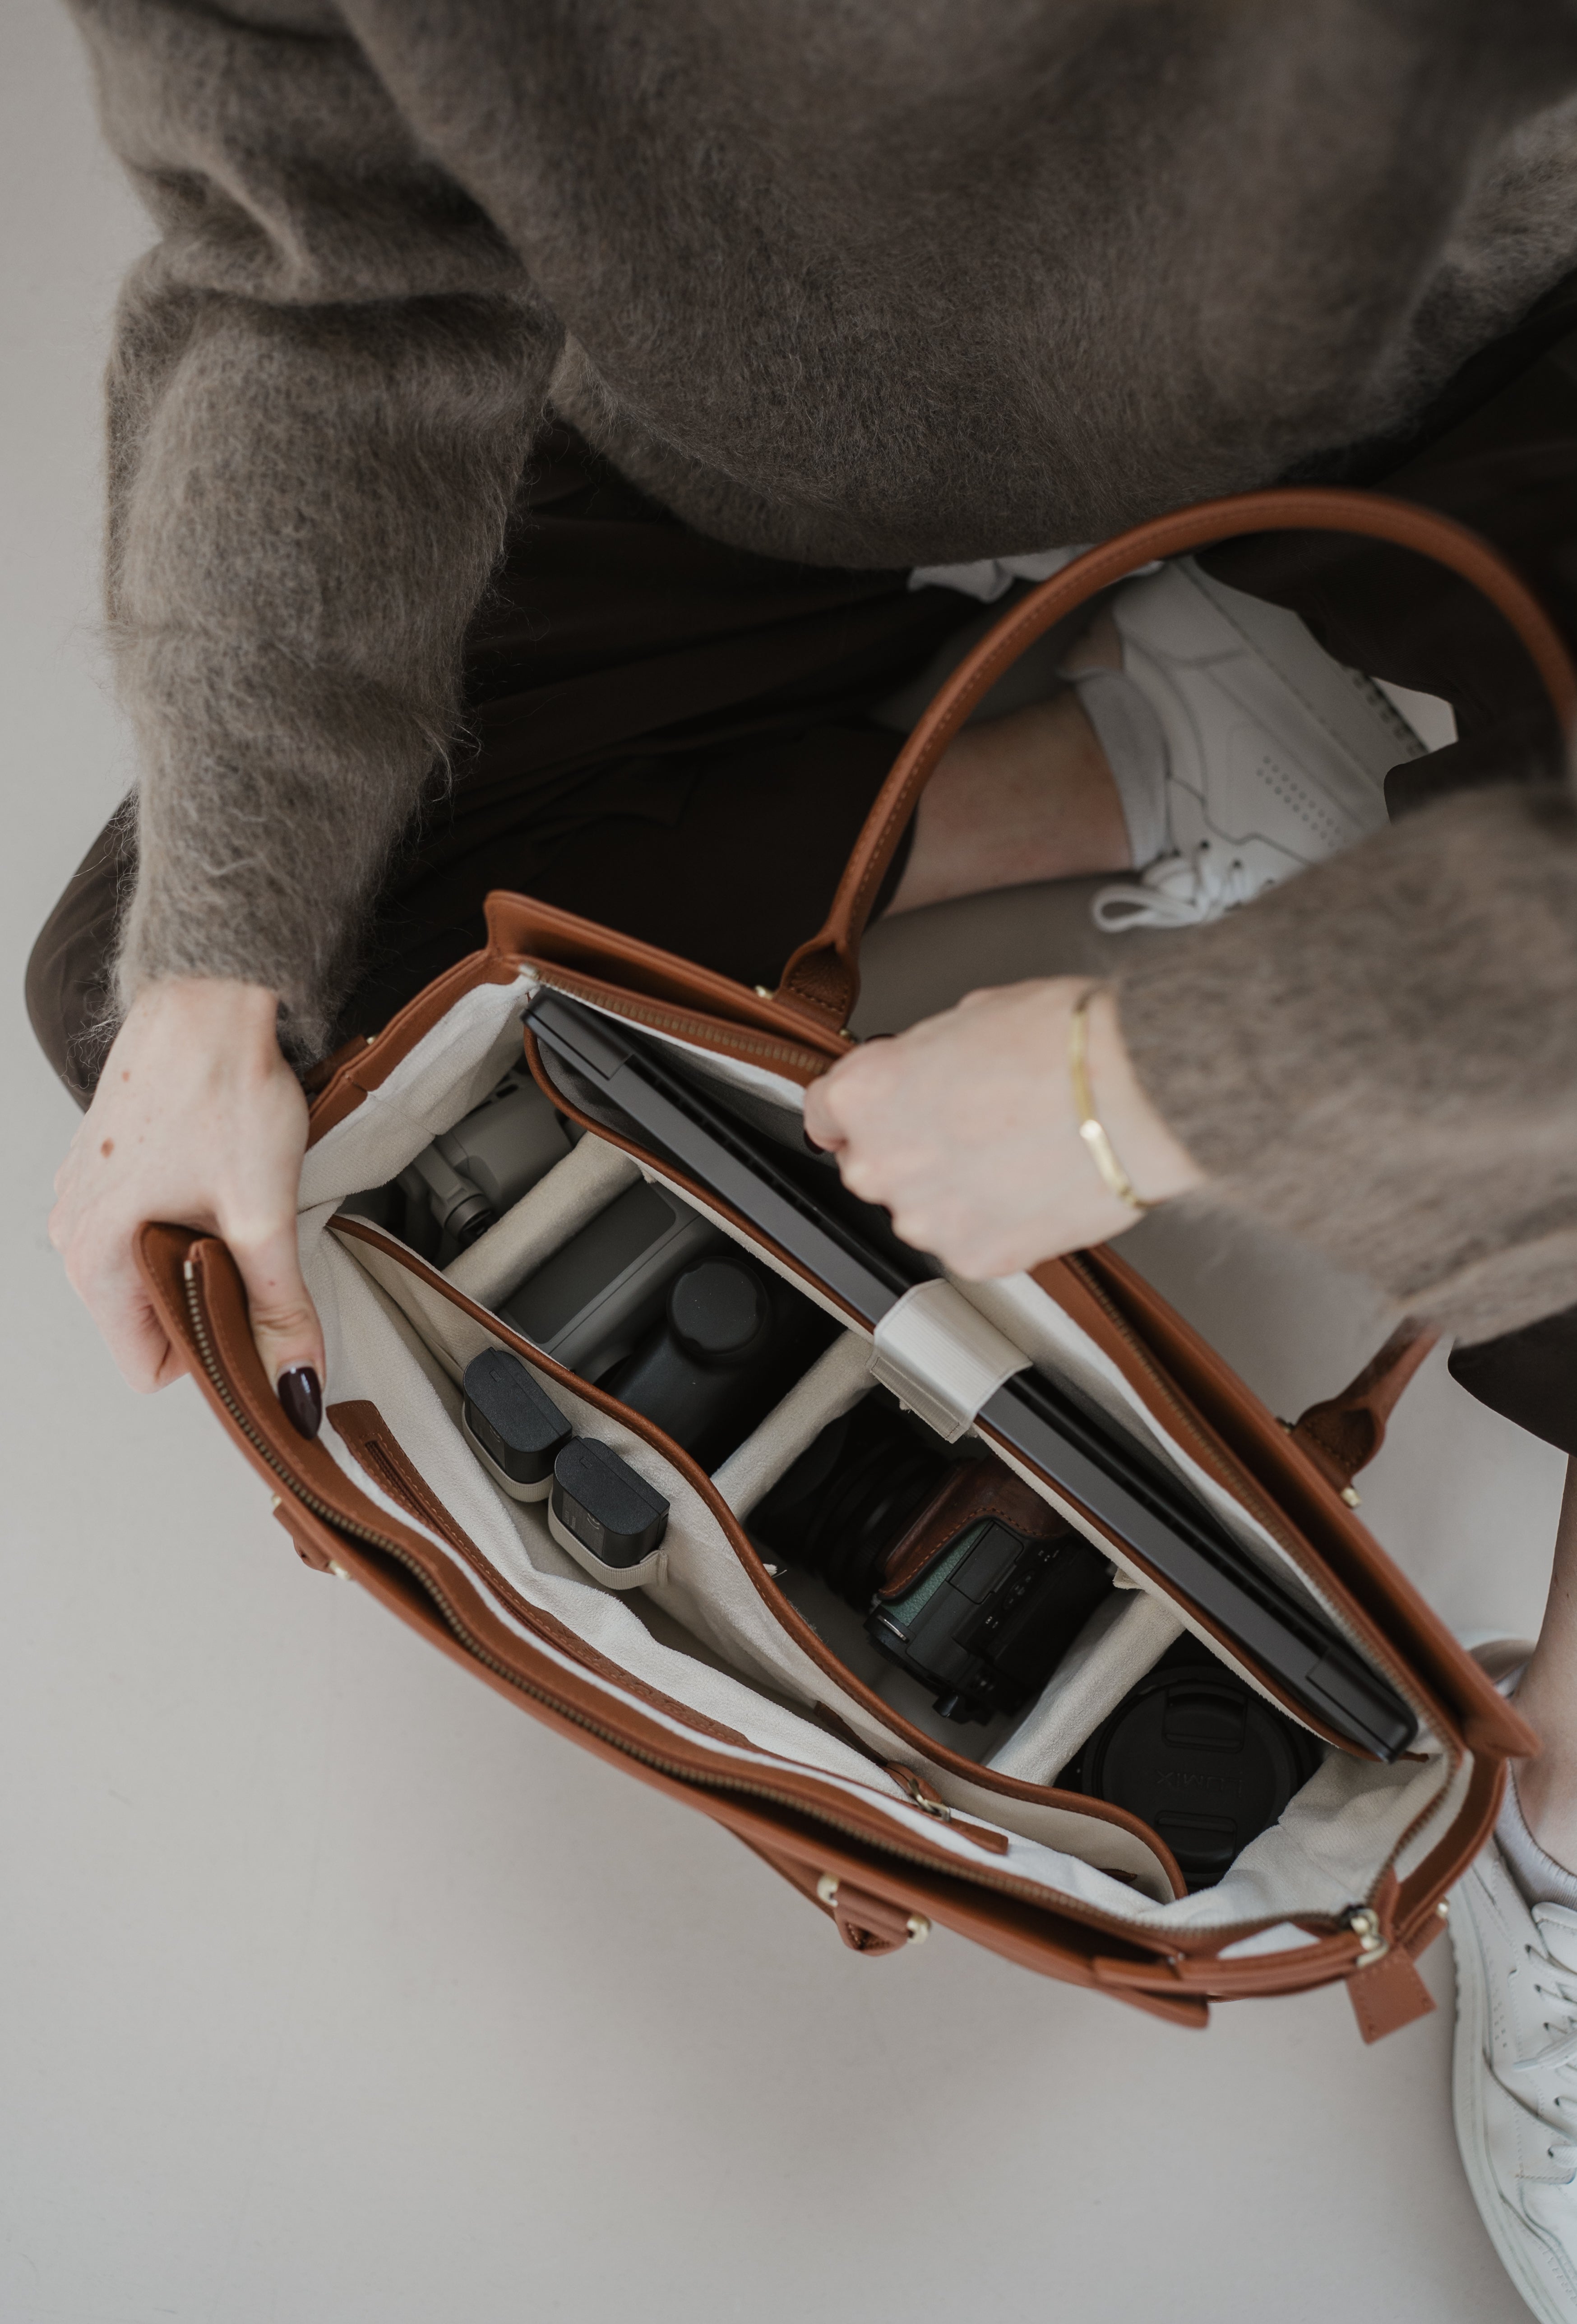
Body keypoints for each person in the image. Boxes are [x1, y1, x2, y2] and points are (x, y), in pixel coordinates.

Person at [27, 7, 1577, 2314]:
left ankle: (1553, 1777)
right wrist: (222, 974)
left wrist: (1163, 1090)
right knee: (236, 985)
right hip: (775, 451)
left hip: (1497, 366)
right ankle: (1192, 748)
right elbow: (319, 266)